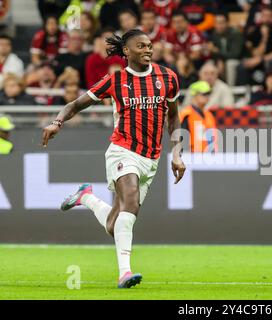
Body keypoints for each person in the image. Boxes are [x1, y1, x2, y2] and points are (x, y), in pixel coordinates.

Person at [41, 29, 186, 289]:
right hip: (123, 150)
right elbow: (74, 104)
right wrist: (56, 122)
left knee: (115, 224)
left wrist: (177, 153)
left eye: (150, 46)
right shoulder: (115, 81)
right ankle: (125, 273)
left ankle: (86, 197)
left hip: (151, 158)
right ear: (127, 51)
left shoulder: (168, 77)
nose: (148, 50)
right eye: (141, 46)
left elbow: (174, 117)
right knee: (130, 205)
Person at [238, 5, 272, 85]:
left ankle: (270, 88)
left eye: (269, 16)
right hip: (260, 59)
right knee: (243, 65)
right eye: (264, 16)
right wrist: (264, 38)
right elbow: (256, 53)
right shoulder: (257, 30)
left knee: (271, 62)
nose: (266, 19)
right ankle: (242, 92)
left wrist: (260, 59)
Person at [179, 81, 218, 152]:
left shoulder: (209, 115)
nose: (207, 97)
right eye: (204, 94)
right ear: (195, 95)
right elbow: (182, 139)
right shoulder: (187, 114)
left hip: (209, 158)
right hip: (192, 157)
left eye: (209, 94)